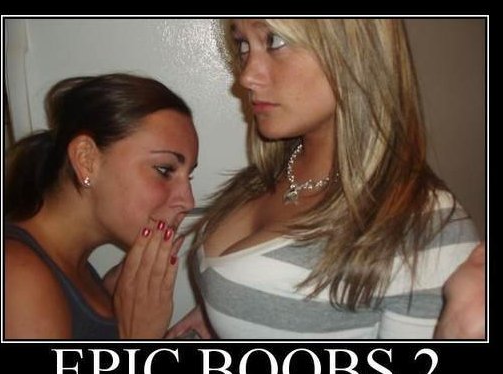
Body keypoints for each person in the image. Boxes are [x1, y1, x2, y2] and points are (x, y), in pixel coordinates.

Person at [166, 18, 481, 340]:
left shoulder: (425, 229)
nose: (246, 76)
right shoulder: (267, 176)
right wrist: (224, 307)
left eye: (274, 41)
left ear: (355, 48)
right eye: (243, 44)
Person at [5, 73, 198, 340]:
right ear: (86, 160)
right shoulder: (20, 279)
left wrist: (111, 300)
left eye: (188, 177)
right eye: (164, 170)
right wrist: (139, 336)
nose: (188, 201)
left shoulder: (76, 268)